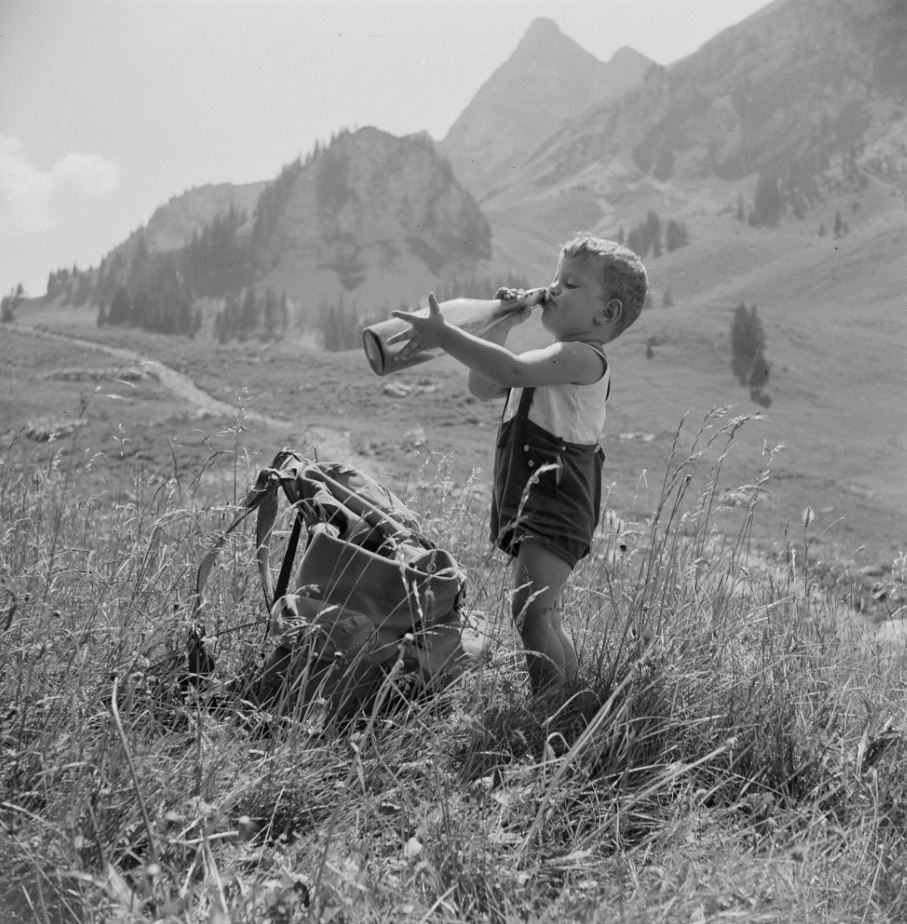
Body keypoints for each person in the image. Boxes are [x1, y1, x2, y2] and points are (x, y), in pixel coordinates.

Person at [392, 234, 648, 699]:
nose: (551, 289)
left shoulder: (581, 358)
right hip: (539, 499)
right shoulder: (550, 359)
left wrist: (444, 335)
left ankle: (549, 704)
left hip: (558, 499)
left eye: (569, 283)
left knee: (529, 611)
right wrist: (501, 325)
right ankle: (569, 696)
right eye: (553, 277)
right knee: (541, 613)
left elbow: (509, 372)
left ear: (606, 313)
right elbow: (485, 385)